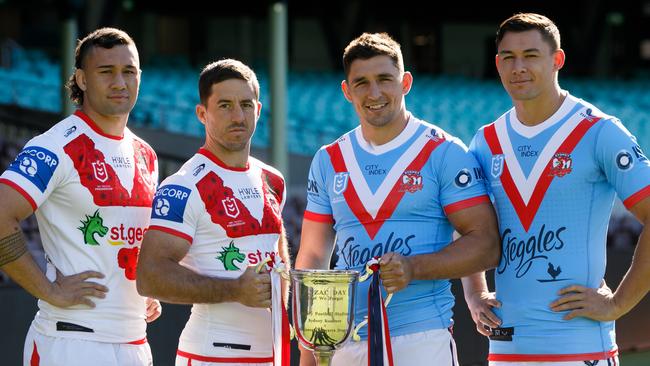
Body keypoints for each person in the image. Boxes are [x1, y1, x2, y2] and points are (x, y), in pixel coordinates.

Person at [294, 32, 500, 365]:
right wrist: (310, 346)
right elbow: (315, 254)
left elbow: (486, 243)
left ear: (405, 82)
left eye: (384, 79)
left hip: (421, 339)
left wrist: (414, 268)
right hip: (344, 342)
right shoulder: (328, 159)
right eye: (361, 82)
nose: (374, 93)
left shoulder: (444, 152)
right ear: (347, 91)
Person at [463, 12, 650, 365]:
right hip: (506, 348)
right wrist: (474, 293)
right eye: (508, 57)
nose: (518, 67)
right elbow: (467, 225)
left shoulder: (599, 132)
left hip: (580, 346)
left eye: (531, 55)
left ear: (557, 60)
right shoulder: (485, 141)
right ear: (498, 64)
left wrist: (618, 303)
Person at [0, 27, 161, 366]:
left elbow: (133, 238)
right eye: (106, 72)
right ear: (82, 79)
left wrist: (144, 290)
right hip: (72, 341)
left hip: (135, 341)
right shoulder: (55, 145)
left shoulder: (146, 154)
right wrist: (49, 289)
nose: (120, 82)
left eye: (129, 71)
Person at [136, 59, 290, 366]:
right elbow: (150, 276)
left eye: (246, 104)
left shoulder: (273, 179)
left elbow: (278, 253)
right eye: (224, 105)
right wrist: (235, 290)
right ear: (202, 114)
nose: (238, 115)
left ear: (258, 110)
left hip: (272, 354)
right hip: (213, 354)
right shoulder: (183, 185)